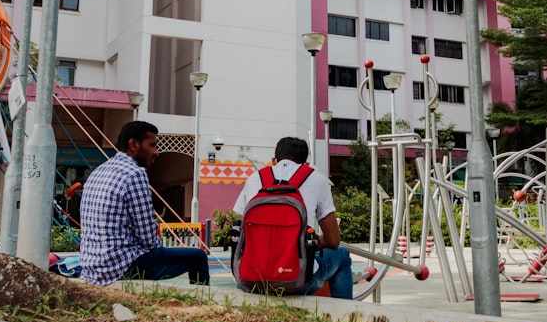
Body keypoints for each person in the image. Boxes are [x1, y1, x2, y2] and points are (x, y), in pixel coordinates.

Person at [80, 120, 210, 286]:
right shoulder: (135, 174)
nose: (156, 152)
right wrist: (159, 250)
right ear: (133, 144)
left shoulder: (98, 171)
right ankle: (201, 306)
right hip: (121, 267)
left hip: (92, 266)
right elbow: (148, 238)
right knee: (198, 257)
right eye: (152, 145)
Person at [232, 136, 354, 299]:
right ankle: (344, 315)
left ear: (273, 160)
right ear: (304, 163)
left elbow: (239, 231)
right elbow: (333, 240)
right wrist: (304, 244)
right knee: (342, 255)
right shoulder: (317, 179)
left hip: (250, 280)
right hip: (298, 281)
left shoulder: (255, 178)